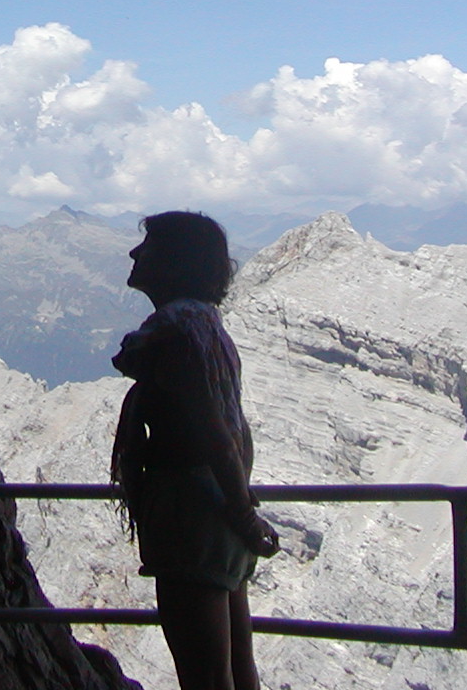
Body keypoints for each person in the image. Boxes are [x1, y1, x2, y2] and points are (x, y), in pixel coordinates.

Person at [111, 211, 279, 690]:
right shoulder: (206, 324)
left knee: (204, 676)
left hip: (191, 511)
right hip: (218, 510)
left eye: (149, 245)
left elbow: (211, 429)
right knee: (236, 666)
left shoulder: (175, 332)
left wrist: (243, 514)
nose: (135, 253)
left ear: (174, 261)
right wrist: (239, 508)